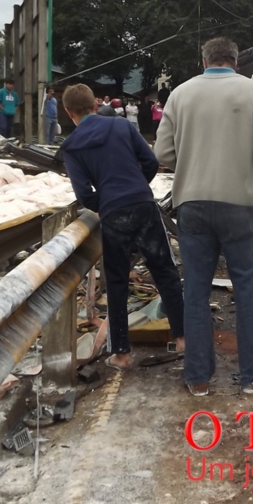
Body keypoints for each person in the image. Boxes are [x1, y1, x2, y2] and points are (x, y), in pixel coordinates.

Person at [155, 37, 253, 397]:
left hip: (192, 204)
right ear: (236, 61)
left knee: (194, 290)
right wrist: (246, 168)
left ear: (204, 60)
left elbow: (162, 149)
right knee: (246, 289)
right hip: (239, 203)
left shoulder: (180, 94)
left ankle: (197, 377)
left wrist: (192, 163)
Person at [60, 84, 186, 371]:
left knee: (116, 281)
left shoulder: (71, 146)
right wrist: (138, 186)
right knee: (165, 271)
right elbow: (151, 161)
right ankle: (182, 339)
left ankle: (121, 352)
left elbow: (83, 194)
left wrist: (105, 202)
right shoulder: (121, 126)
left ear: (68, 112)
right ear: (95, 104)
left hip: (113, 214)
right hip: (143, 205)